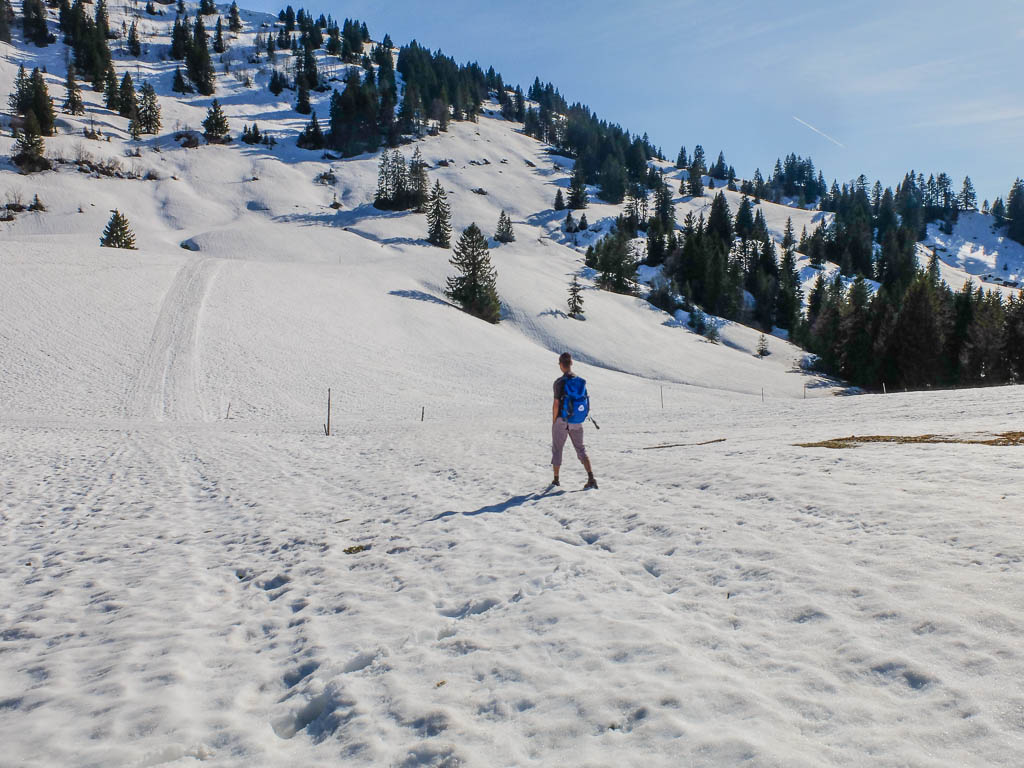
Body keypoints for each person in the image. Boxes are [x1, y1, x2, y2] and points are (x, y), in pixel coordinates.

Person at [551, 352, 597, 489]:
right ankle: (591, 477)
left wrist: (554, 421)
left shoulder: (559, 382)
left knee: (557, 449)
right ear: (571, 363)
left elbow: (556, 404)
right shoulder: (580, 382)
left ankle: (556, 480)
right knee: (581, 449)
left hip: (562, 420)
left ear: (560, 365)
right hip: (577, 420)